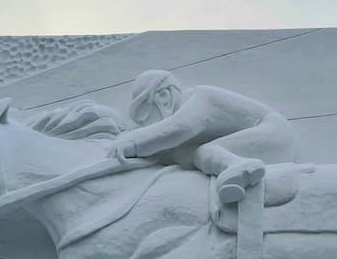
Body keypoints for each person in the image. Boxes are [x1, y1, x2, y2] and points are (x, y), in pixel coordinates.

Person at [108, 70, 298, 203]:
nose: (145, 122)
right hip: (263, 138)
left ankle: (239, 166)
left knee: (204, 150)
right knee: (188, 154)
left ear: (163, 96)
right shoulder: (189, 111)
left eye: (144, 112)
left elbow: (178, 129)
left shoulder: (201, 96)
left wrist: (131, 142)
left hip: (274, 133)